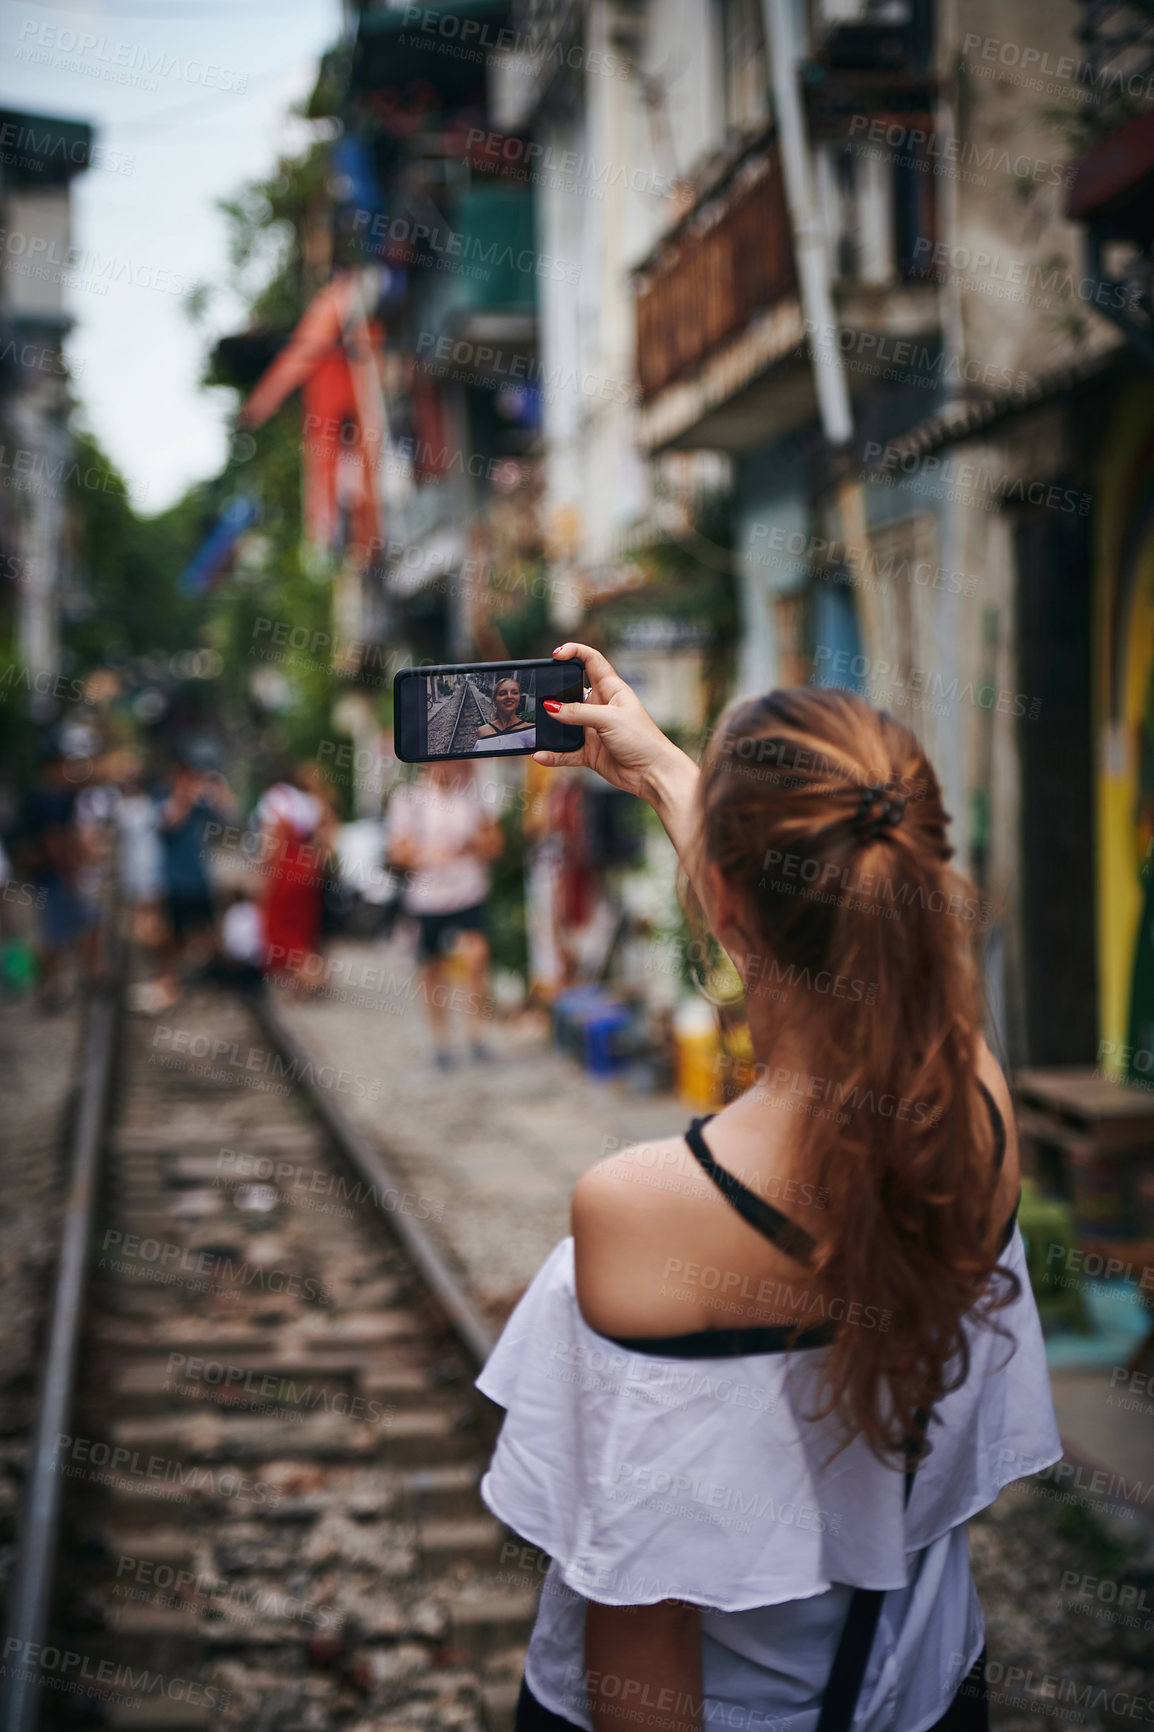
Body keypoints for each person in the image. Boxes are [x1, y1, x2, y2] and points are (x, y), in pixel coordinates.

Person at [477, 645, 1061, 1732]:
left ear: (721, 902)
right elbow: (843, 918)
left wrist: (678, 785)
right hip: (924, 1694)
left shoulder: (646, 1206)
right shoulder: (974, 1113)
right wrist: (662, 771)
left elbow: (644, 1630)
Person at [385, 758, 502, 1067]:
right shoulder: (409, 799)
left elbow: (494, 843)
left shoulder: (474, 793)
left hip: (468, 891)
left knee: (476, 959)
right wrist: (427, 854)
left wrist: (467, 845)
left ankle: (476, 1033)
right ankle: (441, 1040)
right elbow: (396, 850)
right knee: (432, 970)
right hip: (427, 898)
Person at [256, 762, 337, 987]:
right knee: (302, 929)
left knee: (279, 929)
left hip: (285, 870)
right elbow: (324, 840)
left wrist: (265, 871)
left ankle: (309, 977)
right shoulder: (313, 803)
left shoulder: (276, 799)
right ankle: (308, 979)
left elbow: (274, 839)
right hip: (308, 871)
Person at [474, 674, 536, 752]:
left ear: (519, 698)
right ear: (494, 699)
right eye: (503, 693)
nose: (509, 696)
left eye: (514, 692)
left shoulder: (531, 731)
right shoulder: (483, 731)